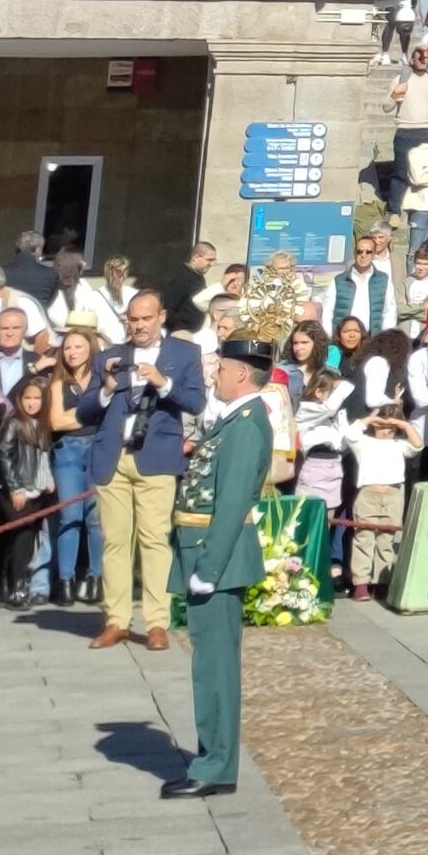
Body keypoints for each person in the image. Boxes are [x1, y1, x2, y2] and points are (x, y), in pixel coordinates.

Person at [170, 334, 281, 797]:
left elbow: (232, 502)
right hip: (204, 552)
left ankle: (214, 766)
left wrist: (208, 568)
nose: (214, 375)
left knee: (214, 667)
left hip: (216, 558)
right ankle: (213, 760)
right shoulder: (236, 420)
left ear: (240, 373)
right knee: (210, 663)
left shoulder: (247, 425)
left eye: (220, 368)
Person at [86, 291, 208, 648]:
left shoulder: (184, 354)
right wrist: (106, 389)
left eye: (145, 318)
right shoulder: (110, 356)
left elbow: (197, 402)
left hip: (155, 458)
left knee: (154, 540)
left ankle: (156, 622)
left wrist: (163, 383)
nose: (138, 325)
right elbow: (84, 410)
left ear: (161, 317)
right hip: (113, 457)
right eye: (133, 319)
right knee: (115, 542)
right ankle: (116, 620)